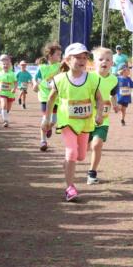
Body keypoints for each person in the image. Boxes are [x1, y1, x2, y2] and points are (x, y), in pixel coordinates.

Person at [42, 43, 104, 202]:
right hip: (67, 122)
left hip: (85, 123)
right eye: (77, 57)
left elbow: (99, 98)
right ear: (68, 60)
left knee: (81, 156)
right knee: (71, 152)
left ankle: (67, 164)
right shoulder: (60, 79)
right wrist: (47, 119)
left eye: (84, 57)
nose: (82, 60)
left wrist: (99, 114)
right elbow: (50, 100)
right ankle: (70, 188)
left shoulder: (92, 78)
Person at [87, 48, 119, 185]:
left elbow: (112, 94)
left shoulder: (114, 79)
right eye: (100, 59)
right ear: (94, 62)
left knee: (97, 144)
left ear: (112, 63)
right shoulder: (89, 77)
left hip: (103, 119)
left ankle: (92, 172)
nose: (104, 62)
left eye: (107, 60)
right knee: (83, 150)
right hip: (85, 119)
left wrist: (115, 104)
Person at [35, 43, 62, 152]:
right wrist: (35, 84)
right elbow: (37, 78)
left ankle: (49, 128)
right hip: (45, 97)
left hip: (57, 98)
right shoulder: (42, 68)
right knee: (45, 118)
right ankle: (43, 141)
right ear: (50, 56)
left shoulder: (60, 66)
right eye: (58, 54)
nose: (60, 56)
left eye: (61, 54)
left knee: (53, 120)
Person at [0, 54, 18, 127]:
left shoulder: (12, 74)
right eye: (4, 64)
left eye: (7, 64)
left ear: (10, 65)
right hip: (2, 92)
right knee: (3, 105)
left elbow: (16, 83)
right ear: (1, 66)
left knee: (8, 108)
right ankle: (5, 121)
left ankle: (5, 116)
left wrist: (14, 88)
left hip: (10, 93)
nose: (5, 66)